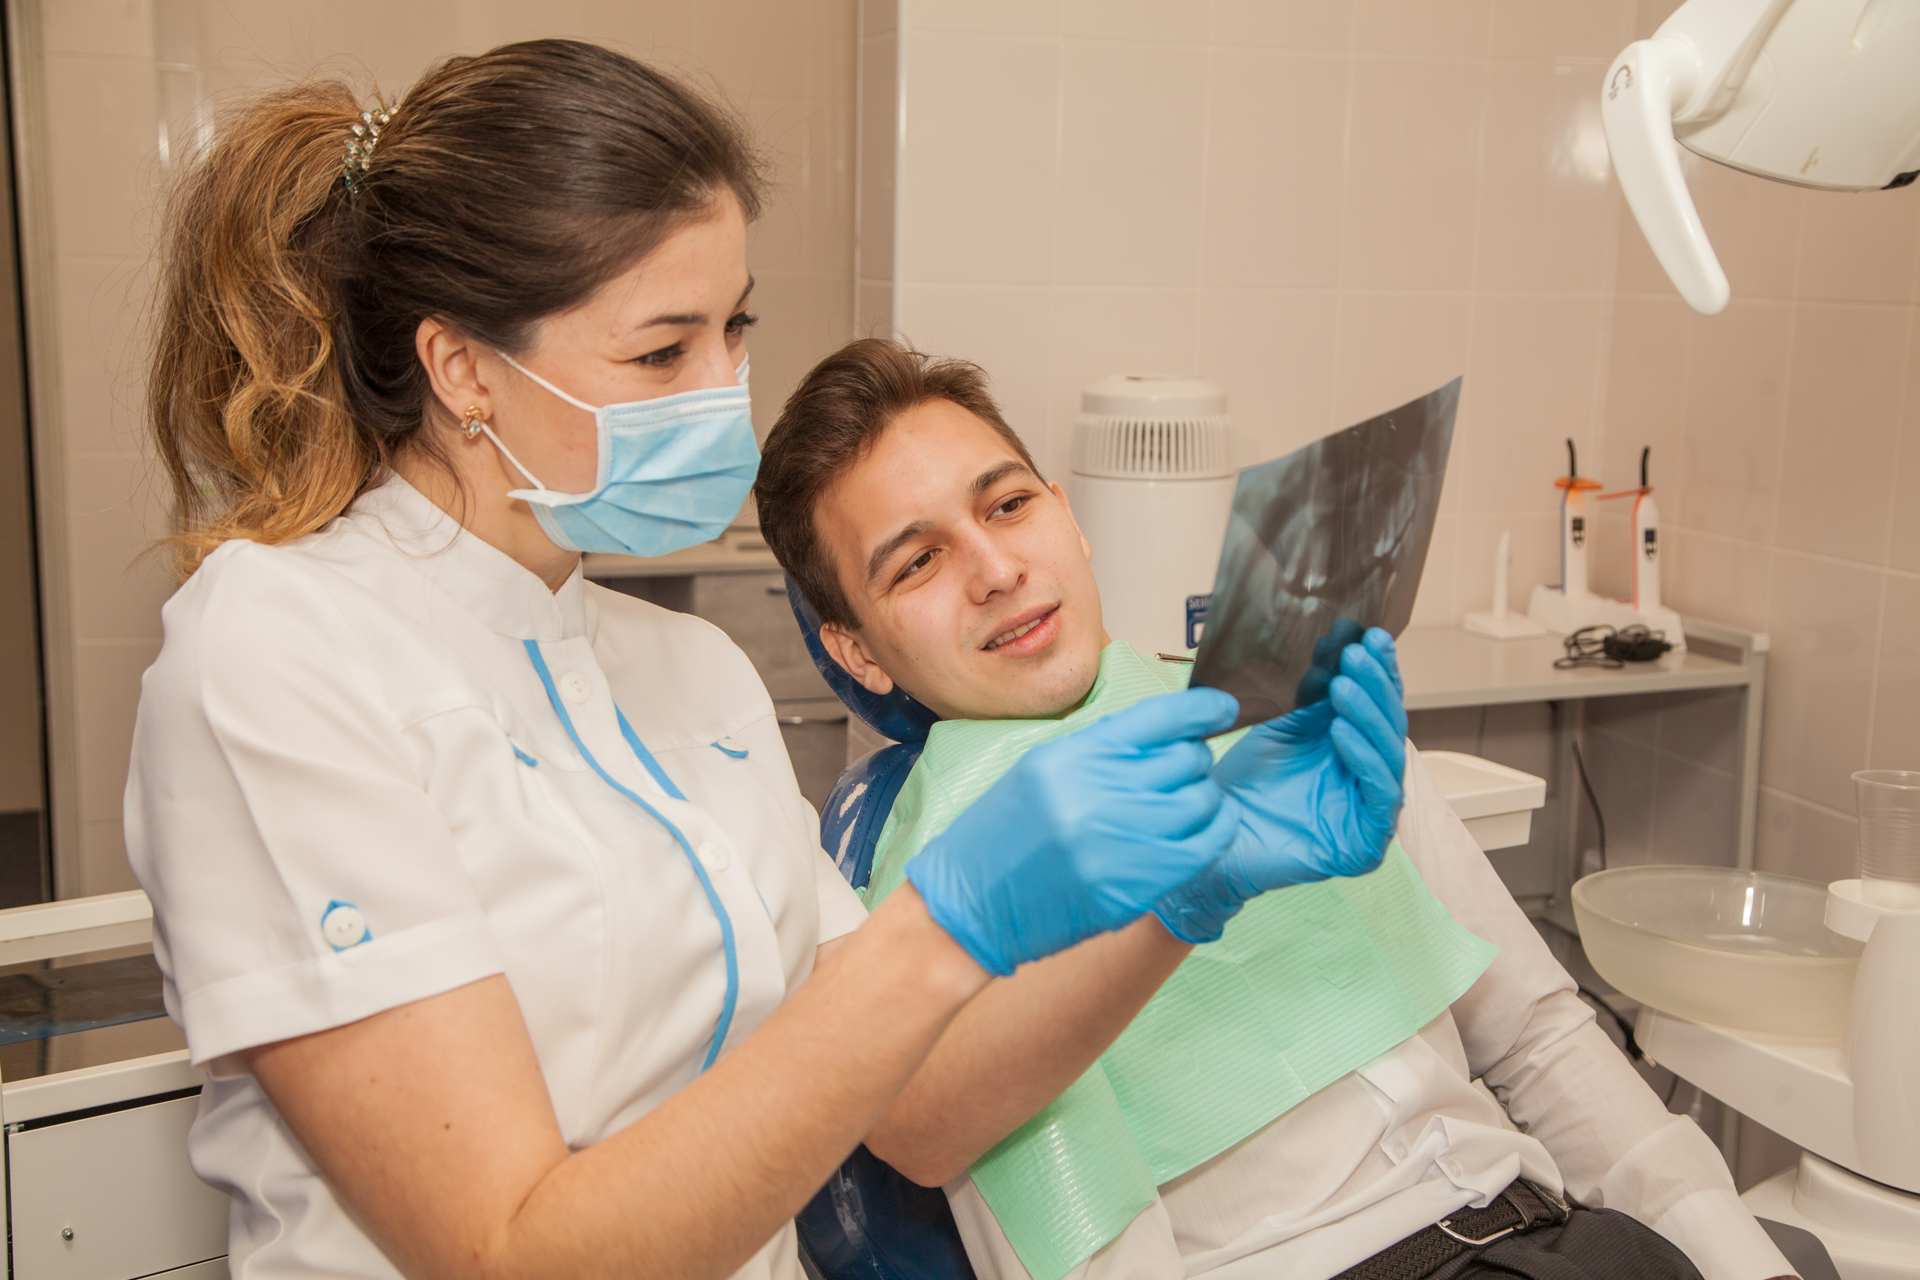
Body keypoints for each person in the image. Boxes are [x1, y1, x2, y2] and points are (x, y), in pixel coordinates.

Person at [124, 41, 1407, 1279]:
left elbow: (918, 1108)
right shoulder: (278, 650)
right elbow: (507, 1249)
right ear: (462, 366)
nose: (723, 391)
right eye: (661, 351)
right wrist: (943, 927)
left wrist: (1193, 892)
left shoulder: (687, 671)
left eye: (732, 329)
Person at [752, 338, 1797, 1280]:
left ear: (1067, 508)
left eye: (1009, 503)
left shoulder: (1285, 702)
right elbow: (1077, 1235)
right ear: (853, 645)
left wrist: (1736, 1255)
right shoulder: (938, 886)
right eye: (919, 560)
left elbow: (1534, 1033)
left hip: (1563, 1239)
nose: (995, 569)